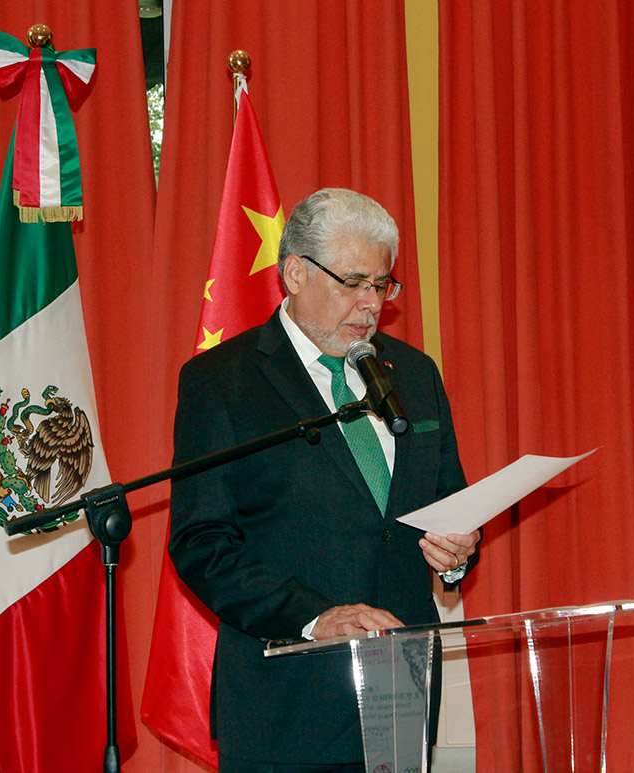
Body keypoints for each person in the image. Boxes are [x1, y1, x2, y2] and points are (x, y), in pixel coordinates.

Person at [169, 188, 481, 772]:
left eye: (382, 286)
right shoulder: (224, 381)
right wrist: (315, 618)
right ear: (294, 273)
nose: (369, 305)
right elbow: (202, 544)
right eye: (353, 282)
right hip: (288, 702)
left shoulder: (413, 373)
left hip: (401, 691)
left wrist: (458, 552)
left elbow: (448, 503)